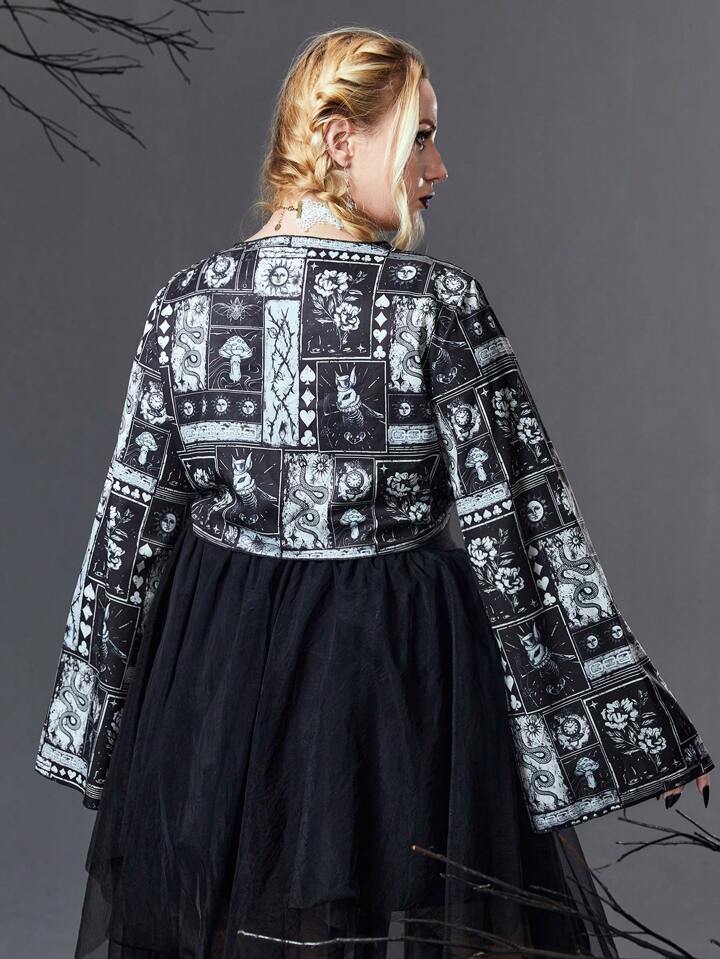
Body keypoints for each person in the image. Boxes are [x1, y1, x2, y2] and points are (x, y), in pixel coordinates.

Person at [34, 26, 712, 959]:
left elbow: (126, 533)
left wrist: (93, 724)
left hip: (218, 676)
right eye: (420, 135)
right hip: (397, 677)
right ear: (340, 137)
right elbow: (526, 529)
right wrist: (638, 730)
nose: (438, 167)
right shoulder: (439, 306)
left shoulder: (184, 305)